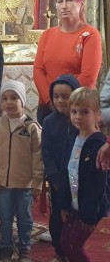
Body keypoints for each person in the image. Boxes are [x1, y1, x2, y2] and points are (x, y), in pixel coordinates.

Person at [0, 80, 43, 262]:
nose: (9, 102)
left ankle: (25, 246)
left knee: (25, 217)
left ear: (22, 100)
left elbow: (38, 156)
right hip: (3, 183)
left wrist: (37, 182)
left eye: (14, 98)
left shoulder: (31, 127)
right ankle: (6, 245)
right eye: (4, 98)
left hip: (25, 183)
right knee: (5, 217)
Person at [33, 0, 102, 123]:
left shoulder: (90, 34)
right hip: (48, 107)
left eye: (69, 0)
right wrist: (51, 100)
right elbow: (38, 70)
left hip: (78, 108)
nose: (64, 6)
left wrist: (66, 102)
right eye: (60, 1)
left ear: (80, 3)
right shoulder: (47, 35)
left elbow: (88, 77)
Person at [59, 87, 110, 261]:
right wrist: (64, 203)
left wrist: (89, 215)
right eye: (74, 111)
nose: (78, 117)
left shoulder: (98, 145)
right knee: (65, 242)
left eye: (84, 112)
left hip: (90, 209)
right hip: (74, 204)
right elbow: (65, 172)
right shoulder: (73, 138)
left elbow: (97, 185)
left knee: (74, 245)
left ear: (97, 115)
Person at [41, 74, 80, 262]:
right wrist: (53, 177)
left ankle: (74, 250)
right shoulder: (49, 122)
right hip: (58, 181)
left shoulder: (80, 120)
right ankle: (60, 252)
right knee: (58, 218)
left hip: (78, 180)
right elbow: (46, 152)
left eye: (65, 96)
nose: (60, 101)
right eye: (56, 96)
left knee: (76, 219)